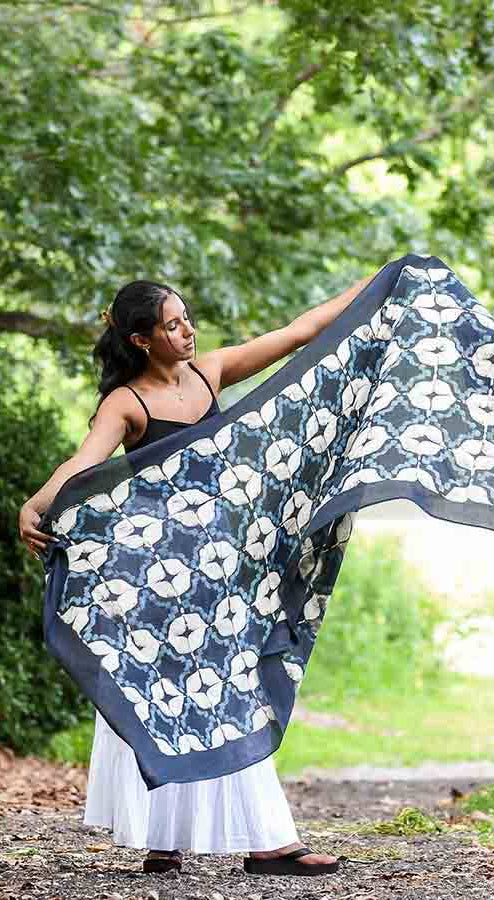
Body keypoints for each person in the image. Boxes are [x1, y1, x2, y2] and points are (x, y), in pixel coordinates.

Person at [18, 272, 375, 876]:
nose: (188, 332)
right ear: (141, 340)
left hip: (220, 566)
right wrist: (37, 503)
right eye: (173, 325)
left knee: (227, 690)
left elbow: (300, 332)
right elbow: (83, 463)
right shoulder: (125, 403)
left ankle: (259, 841)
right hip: (156, 573)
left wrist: (381, 280)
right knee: (165, 694)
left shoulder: (208, 374)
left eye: (188, 320)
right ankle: (180, 838)